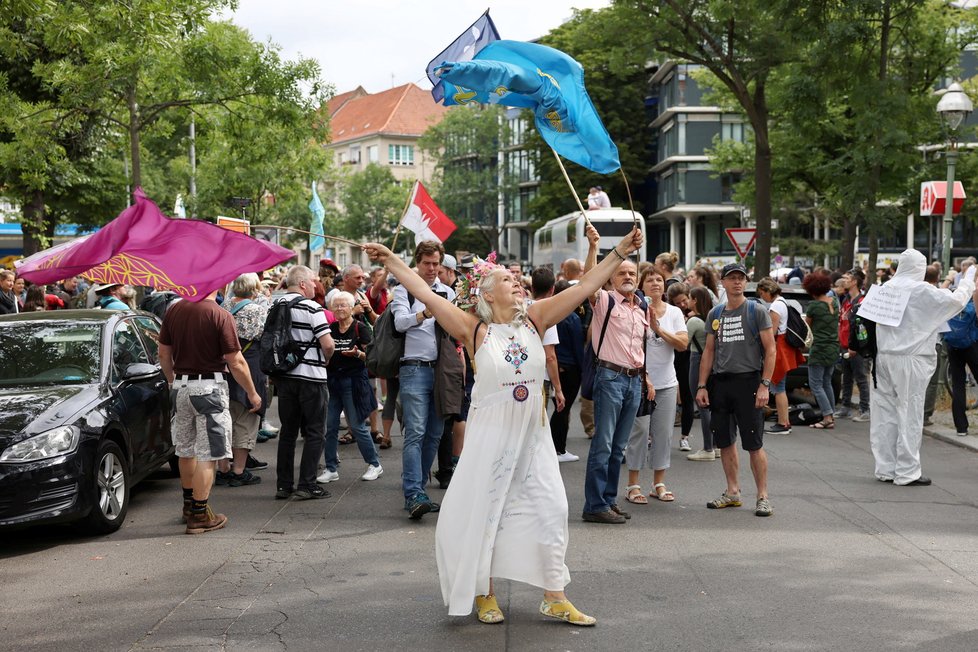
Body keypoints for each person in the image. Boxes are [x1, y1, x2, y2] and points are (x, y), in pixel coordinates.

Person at [363, 223, 642, 626]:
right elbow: (423, 292)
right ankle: (485, 592)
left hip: (533, 434)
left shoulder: (536, 319)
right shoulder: (473, 328)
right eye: (507, 280)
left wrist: (618, 253)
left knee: (551, 507)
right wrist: (390, 260)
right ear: (486, 293)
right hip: (491, 436)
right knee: (489, 512)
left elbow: (582, 288)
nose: (517, 283)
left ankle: (554, 595)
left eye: (518, 280)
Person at [158, 288, 262, 534]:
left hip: (181, 388)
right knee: (208, 453)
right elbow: (235, 361)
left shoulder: (174, 310)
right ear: (214, 284)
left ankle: (188, 505)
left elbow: (163, 353)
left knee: (185, 449)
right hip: (209, 388)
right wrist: (252, 391)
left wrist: (172, 380)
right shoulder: (219, 314)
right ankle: (199, 514)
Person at [870, 249, 976, 485]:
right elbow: (956, 301)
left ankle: (885, 468)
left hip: (884, 357)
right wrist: (968, 279)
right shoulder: (919, 289)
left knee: (884, 414)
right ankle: (907, 471)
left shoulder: (886, 287)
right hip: (910, 357)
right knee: (909, 412)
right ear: (920, 267)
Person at [695, 262, 776, 517]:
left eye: (741, 278)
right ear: (723, 283)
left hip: (749, 382)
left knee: (754, 443)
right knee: (725, 442)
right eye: (732, 278)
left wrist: (764, 385)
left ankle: (762, 496)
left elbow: (771, 349)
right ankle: (732, 492)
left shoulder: (756, 310)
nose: (737, 282)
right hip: (721, 384)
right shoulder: (716, 314)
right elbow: (708, 351)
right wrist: (702, 385)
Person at [582, 228, 647, 525]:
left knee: (618, 447)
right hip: (610, 378)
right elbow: (586, 282)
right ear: (609, 278)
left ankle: (608, 500)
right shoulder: (605, 299)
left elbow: (640, 348)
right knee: (604, 444)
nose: (627, 277)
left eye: (631, 272)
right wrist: (594, 246)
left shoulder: (640, 306)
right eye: (621, 273)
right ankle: (594, 504)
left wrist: (646, 379)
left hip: (634, 380)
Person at [391, 240, 456, 519]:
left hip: (441, 370)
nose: (432, 269)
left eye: (436, 264)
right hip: (413, 369)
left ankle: (418, 486)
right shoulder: (402, 290)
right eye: (427, 264)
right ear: (417, 263)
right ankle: (414, 493)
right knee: (415, 432)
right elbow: (399, 323)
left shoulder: (448, 292)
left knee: (435, 433)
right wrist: (426, 312)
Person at [624, 267, 688, 505]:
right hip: (640, 382)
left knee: (663, 433)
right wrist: (643, 375)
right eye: (649, 280)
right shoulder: (635, 310)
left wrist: (658, 328)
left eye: (659, 280)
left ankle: (658, 483)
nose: (655, 284)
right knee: (639, 432)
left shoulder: (674, 313)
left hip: (667, 383)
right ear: (642, 286)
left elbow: (682, 344)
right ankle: (633, 484)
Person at [273, 265, 336, 500]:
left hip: (285, 377)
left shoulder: (274, 304)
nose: (316, 285)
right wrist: (326, 359)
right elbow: (327, 344)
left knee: (288, 432)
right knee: (315, 431)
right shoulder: (312, 307)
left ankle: (283, 485)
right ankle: (308, 484)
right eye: (313, 281)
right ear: (302, 284)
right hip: (312, 378)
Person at [318, 291, 383, 483]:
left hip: (353, 382)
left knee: (357, 425)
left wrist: (357, 354)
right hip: (333, 381)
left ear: (351, 308)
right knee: (329, 426)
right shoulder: (330, 328)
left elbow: (371, 355)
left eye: (343, 305)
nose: (339, 309)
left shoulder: (360, 328)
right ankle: (331, 468)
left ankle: (375, 464)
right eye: (336, 305)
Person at [217, 273, 268, 487]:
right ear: (254, 289)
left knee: (223, 418)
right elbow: (264, 337)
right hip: (249, 365)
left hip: (222, 367)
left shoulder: (222, 309)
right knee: (246, 417)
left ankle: (223, 469)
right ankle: (239, 471)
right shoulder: (258, 311)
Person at [757, 278, 803, 435]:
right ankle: (785, 422)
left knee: (778, 387)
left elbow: (772, 331)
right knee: (779, 386)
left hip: (780, 348)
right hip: (785, 348)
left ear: (768, 291)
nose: (761, 297)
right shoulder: (783, 302)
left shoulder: (775, 306)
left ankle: (783, 423)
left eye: (762, 293)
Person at [550, 280, 584, 462]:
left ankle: (556, 447)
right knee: (563, 409)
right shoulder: (572, 317)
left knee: (559, 408)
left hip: (556, 364)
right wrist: (583, 369)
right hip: (570, 367)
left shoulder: (551, 313)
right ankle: (558, 449)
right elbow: (578, 347)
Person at [803, 272, 839, 430]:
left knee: (816, 384)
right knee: (827, 382)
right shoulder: (834, 302)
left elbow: (807, 327)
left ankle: (826, 417)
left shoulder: (814, 306)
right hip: (833, 347)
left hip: (819, 348)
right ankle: (831, 414)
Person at [685, 287, 718, 461]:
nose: (687, 301)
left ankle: (707, 449)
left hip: (697, 360)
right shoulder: (712, 318)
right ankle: (716, 445)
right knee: (712, 405)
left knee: (702, 404)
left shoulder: (693, 322)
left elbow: (683, 343)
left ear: (695, 300)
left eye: (689, 297)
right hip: (713, 362)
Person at [836, 268, 871, 421]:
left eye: (847, 278)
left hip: (856, 348)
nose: (844, 280)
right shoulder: (846, 300)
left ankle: (865, 409)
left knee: (861, 377)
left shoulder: (861, 302)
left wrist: (856, 347)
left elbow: (860, 327)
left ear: (855, 282)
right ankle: (845, 406)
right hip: (844, 344)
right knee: (847, 377)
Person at [667, 282, 694, 450]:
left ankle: (685, 436)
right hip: (669, 357)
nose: (683, 305)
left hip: (687, 359)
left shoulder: (696, 315)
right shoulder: (670, 314)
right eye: (678, 303)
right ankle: (652, 436)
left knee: (687, 397)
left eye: (684, 300)